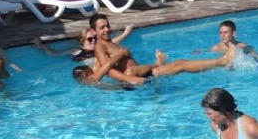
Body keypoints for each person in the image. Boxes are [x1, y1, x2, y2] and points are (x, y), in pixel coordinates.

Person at [88, 13, 232, 85]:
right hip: (137, 78)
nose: (107, 29)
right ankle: (222, 61)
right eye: (102, 28)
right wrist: (130, 79)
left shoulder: (108, 43)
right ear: (93, 30)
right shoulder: (100, 46)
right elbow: (109, 69)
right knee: (179, 64)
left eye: (107, 25)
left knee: (179, 64)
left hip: (141, 75)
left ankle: (221, 61)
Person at [33, 15, 133, 61]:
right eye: (90, 39)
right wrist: (42, 46)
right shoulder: (75, 51)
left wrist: (126, 33)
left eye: (95, 38)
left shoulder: (101, 48)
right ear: (82, 41)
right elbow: (55, 54)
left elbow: (113, 42)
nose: (93, 40)